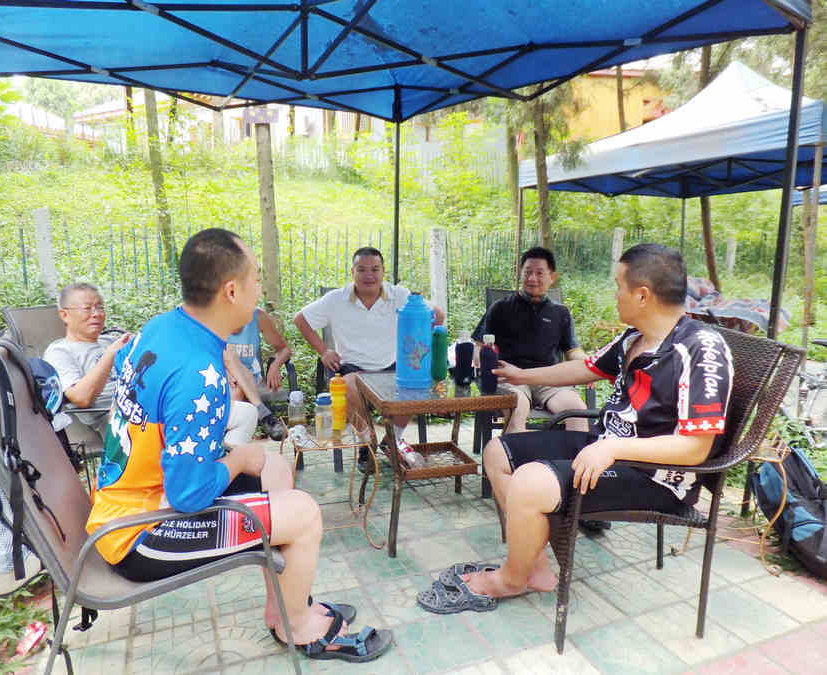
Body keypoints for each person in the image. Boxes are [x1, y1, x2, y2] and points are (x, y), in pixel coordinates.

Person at [85, 229, 392, 661]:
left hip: (131, 501)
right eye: (256, 280)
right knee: (303, 513)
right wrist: (238, 458)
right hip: (141, 534)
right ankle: (301, 629)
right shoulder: (200, 375)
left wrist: (244, 458)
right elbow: (188, 495)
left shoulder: (160, 328)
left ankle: (284, 607)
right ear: (231, 291)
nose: (259, 291)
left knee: (275, 470)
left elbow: (136, 383)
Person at [423, 244, 733, 610]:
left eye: (618, 286)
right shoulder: (634, 337)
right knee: (497, 453)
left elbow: (696, 448)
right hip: (608, 447)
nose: (615, 295)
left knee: (528, 482)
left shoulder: (700, 349)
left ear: (643, 295)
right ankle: (533, 565)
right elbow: (586, 367)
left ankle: (510, 579)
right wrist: (523, 376)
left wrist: (613, 448)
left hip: (656, 476)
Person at [293, 247, 445, 471]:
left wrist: (420, 347)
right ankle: (368, 443)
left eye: (375, 269)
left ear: (383, 272)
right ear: (352, 272)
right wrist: (324, 351)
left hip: (394, 366)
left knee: (415, 385)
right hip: (354, 369)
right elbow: (300, 319)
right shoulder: (336, 299)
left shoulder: (399, 295)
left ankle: (391, 440)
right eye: (361, 269)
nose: (369, 275)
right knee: (346, 387)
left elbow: (437, 315)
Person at [472, 247, 591, 433]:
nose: (532, 278)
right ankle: (514, 452)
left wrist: (588, 365)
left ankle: (573, 453)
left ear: (552, 277)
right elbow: (479, 345)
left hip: (549, 379)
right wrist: (482, 362)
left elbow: (572, 350)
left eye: (539, 273)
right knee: (517, 408)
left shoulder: (561, 312)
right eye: (527, 272)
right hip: (511, 378)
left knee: (577, 411)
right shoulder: (500, 308)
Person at [44, 283, 132, 434]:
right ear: (64, 315)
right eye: (87, 308)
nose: (96, 314)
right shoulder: (59, 352)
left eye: (100, 308)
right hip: (113, 418)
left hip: (143, 404)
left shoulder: (110, 341)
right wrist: (110, 355)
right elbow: (82, 398)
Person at [225, 308, 292, 441]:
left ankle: (227, 446)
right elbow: (204, 352)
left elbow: (284, 349)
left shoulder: (259, 316)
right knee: (229, 354)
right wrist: (225, 371)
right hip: (223, 376)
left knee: (237, 390)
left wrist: (275, 365)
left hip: (249, 378)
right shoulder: (213, 315)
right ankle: (265, 415)